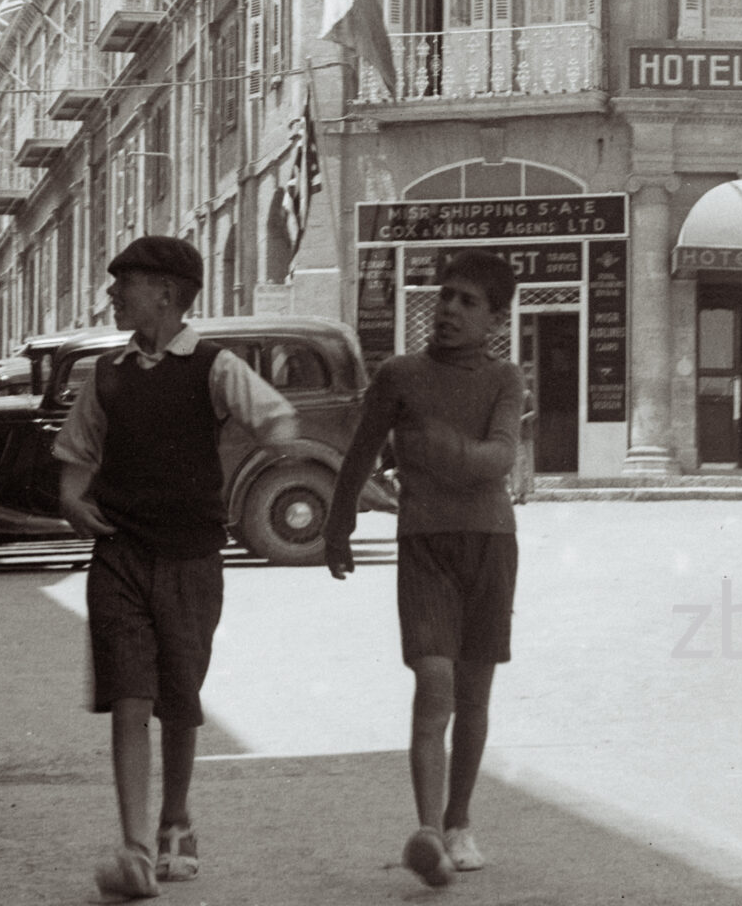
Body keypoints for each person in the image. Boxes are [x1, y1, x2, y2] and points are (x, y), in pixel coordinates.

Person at [54, 237, 300, 897]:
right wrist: (75, 500)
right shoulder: (105, 375)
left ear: (164, 292)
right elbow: (75, 461)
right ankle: (135, 848)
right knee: (130, 695)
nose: (112, 294)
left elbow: (277, 420)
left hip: (192, 559)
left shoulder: (214, 367)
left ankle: (176, 820)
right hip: (120, 557)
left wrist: (238, 460)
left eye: (123, 283)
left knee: (180, 699)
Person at [326, 247, 523, 885]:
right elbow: (359, 451)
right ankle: (429, 833)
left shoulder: (504, 380)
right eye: (445, 296)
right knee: (434, 684)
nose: (449, 310)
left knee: (474, 691)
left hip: (490, 543)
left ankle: (459, 818)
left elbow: (498, 460)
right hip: (426, 546)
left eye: (468, 301)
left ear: (495, 318)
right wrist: (338, 523)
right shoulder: (399, 375)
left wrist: (437, 446)